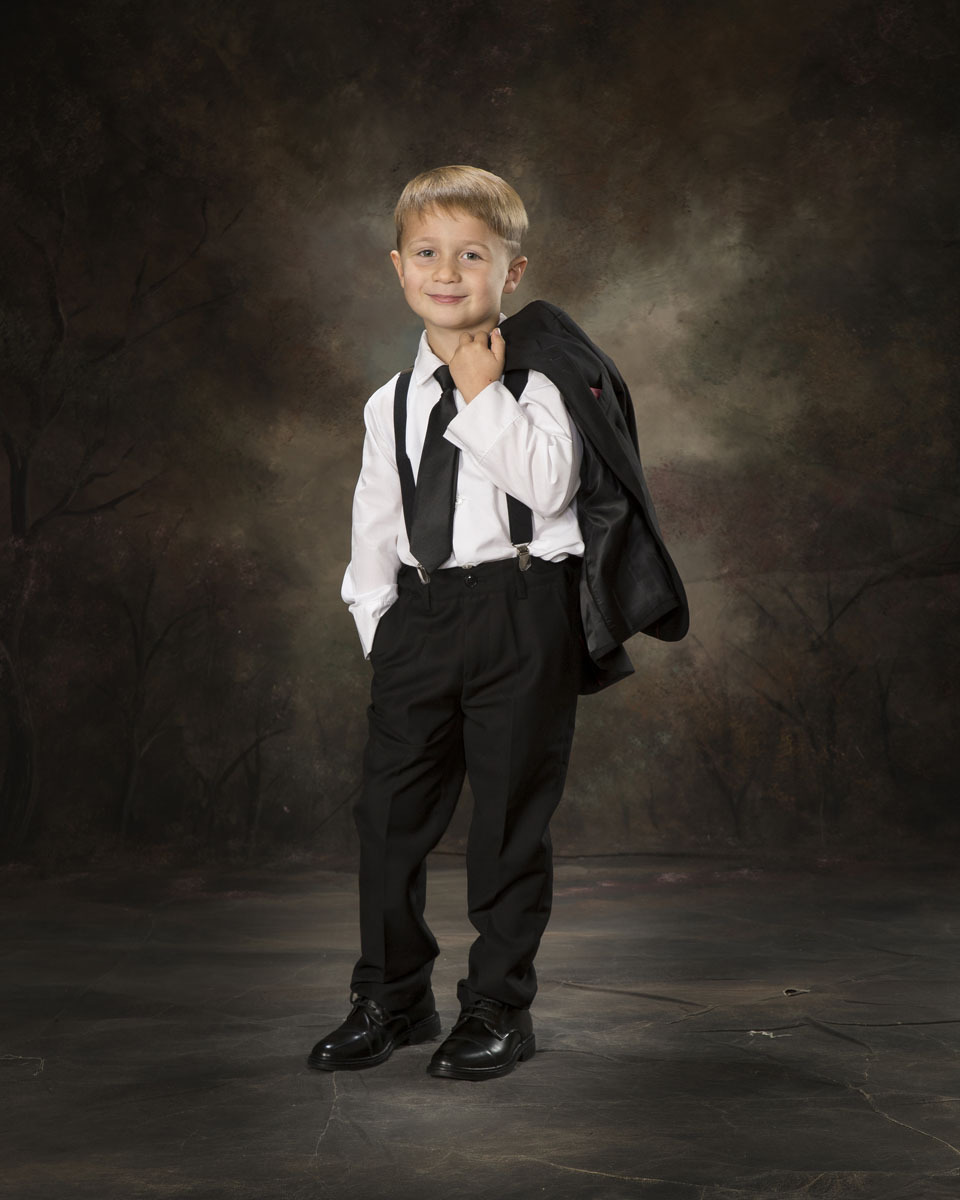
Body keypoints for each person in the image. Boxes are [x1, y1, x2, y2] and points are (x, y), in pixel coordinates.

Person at [307, 165, 686, 1082]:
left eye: (471, 255)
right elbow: (374, 520)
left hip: (523, 610)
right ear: (399, 267)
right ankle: (392, 997)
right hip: (421, 616)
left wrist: (482, 392)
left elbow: (549, 486)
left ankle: (498, 1007)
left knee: (509, 821)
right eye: (427, 254)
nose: (447, 272)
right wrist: (379, 624)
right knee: (388, 819)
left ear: (511, 272)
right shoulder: (390, 401)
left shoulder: (540, 380)